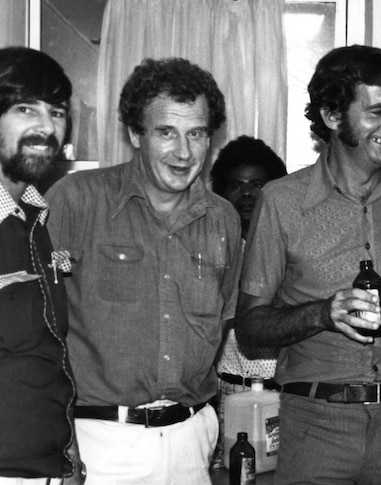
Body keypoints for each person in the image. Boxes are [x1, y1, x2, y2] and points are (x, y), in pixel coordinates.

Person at [235, 45, 381, 484]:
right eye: (377, 111)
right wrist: (322, 314)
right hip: (315, 425)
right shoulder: (281, 202)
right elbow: (250, 327)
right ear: (333, 116)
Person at [46, 57, 242, 484]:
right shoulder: (76, 201)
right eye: (166, 133)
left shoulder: (224, 219)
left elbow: (223, 323)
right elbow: (39, 333)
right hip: (98, 443)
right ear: (136, 133)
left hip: (192, 441)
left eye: (197, 133)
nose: (184, 152)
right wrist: (60, 446)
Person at [0, 46, 85, 485]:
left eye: (56, 112)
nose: (45, 127)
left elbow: (47, 349)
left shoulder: (35, 219)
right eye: (24, 108)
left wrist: (69, 454)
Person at [209, 135, 286, 468]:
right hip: (228, 394)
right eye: (236, 185)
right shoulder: (213, 248)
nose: (247, 193)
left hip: (282, 395)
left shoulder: (287, 249)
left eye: (257, 183)